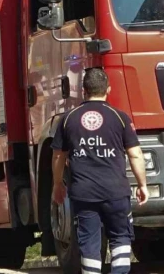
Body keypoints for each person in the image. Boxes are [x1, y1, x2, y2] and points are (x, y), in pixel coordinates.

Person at [51, 67, 148, 274]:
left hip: (84, 194)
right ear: (108, 90)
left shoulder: (68, 119)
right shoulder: (120, 117)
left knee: (89, 242)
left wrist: (57, 184)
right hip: (116, 192)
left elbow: (59, 155)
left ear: (83, 90)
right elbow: (135, 154)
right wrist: (142, 185)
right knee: (121, 237)